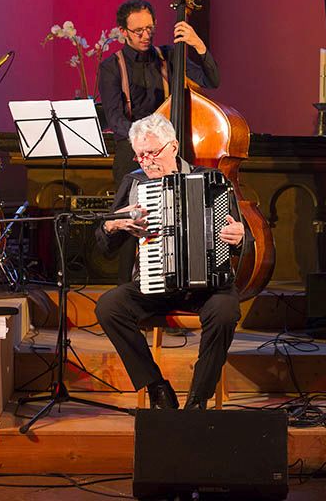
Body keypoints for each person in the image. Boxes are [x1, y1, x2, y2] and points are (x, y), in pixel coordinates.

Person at [94, 113, 244, 410]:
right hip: (155, 285)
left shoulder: (212, 181)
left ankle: (198, 400)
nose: (146, 162)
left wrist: (240, 237)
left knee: (225, 311)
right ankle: (156, 387)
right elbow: (105, 245)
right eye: (140, 156)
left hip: (208, 288)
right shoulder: (134, 183)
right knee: (109, 306)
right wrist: (114, 225)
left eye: (152, 153)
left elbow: (240, 236)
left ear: (173, 147)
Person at [97, 0, 220, 282]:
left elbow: (212, 80)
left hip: (170, 155)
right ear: (123, 32)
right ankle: (128, 292)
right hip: (133, 156)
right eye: (138, 30)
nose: (145, 36)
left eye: (150, 29)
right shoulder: (111, 68)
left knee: (179, 224)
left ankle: (180, 285)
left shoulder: (170, 56)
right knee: (132, 225)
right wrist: (146, 145)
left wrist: (198, 45)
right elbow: (115, 119)